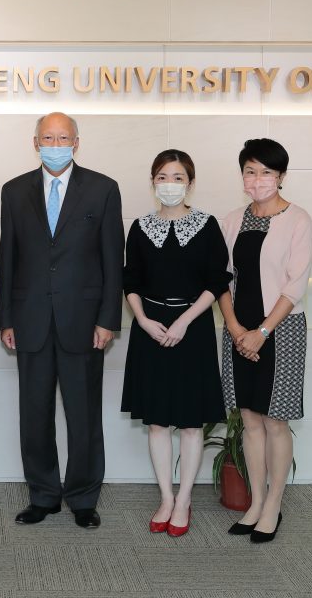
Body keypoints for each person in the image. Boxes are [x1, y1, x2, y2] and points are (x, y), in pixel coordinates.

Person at [0, 112, 124, 530]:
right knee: (33, 413)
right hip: (30, 319)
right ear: (35, 142)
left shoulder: (103, 189)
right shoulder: (14, 191)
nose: (55, 144)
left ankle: (84, 497)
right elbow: (8, 258)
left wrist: (108, 319)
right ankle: (43, 495)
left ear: (76, 142)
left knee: (84, 414)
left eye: (63, 137)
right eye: (47, 137)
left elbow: (112, 259)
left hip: (84, 322)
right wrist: (6, 319)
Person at [121, 150, 230, 537]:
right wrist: (145, 321)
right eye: (163, 176)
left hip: (192, 328)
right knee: (157, 422)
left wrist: (183, 320)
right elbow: (130, 280)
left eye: (178, 177)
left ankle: (184, 500)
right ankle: (165, 497)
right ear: (153, 182)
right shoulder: (139, 226)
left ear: (190, 182)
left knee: (189, 423)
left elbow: (218, 280)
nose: (170, 183)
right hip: (149, 329)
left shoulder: (207, 224)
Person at [217, 138, 312, 544]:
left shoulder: (299, 220)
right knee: (250, 420)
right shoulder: (232, 219)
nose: (257, 180)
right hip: (237, 332)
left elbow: (294, 286)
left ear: (282, 177)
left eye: (267, 173)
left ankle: (273, 504)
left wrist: (261, 332)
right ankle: (255, 502)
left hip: (282, 331)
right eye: (250, 171)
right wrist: (238, 329)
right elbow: (219, 279)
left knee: (276, 421)